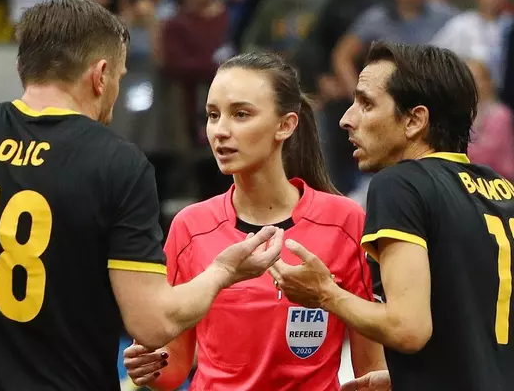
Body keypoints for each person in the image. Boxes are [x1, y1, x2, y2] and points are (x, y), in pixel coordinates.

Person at [0, 0, 285, 391]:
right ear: (101, 74)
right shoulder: (117, 164)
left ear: (22, 66)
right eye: (120, 76)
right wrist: (223, 272)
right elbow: (152, 323)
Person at [122, 51, 386, 391]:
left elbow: (370, 368)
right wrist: (148, 363)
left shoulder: (346, 221)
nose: (220, 131)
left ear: (285, 125)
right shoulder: (189, 226)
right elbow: (173, 369)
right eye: (213, 115)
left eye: (241, 114)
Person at [269, 41, 514, 391]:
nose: (346, 119)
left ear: (414, 120)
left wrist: (324, 293)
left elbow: (408, 328)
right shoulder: (501, 188)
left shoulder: (400, 183)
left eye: (366, 103)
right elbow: (474, 327)